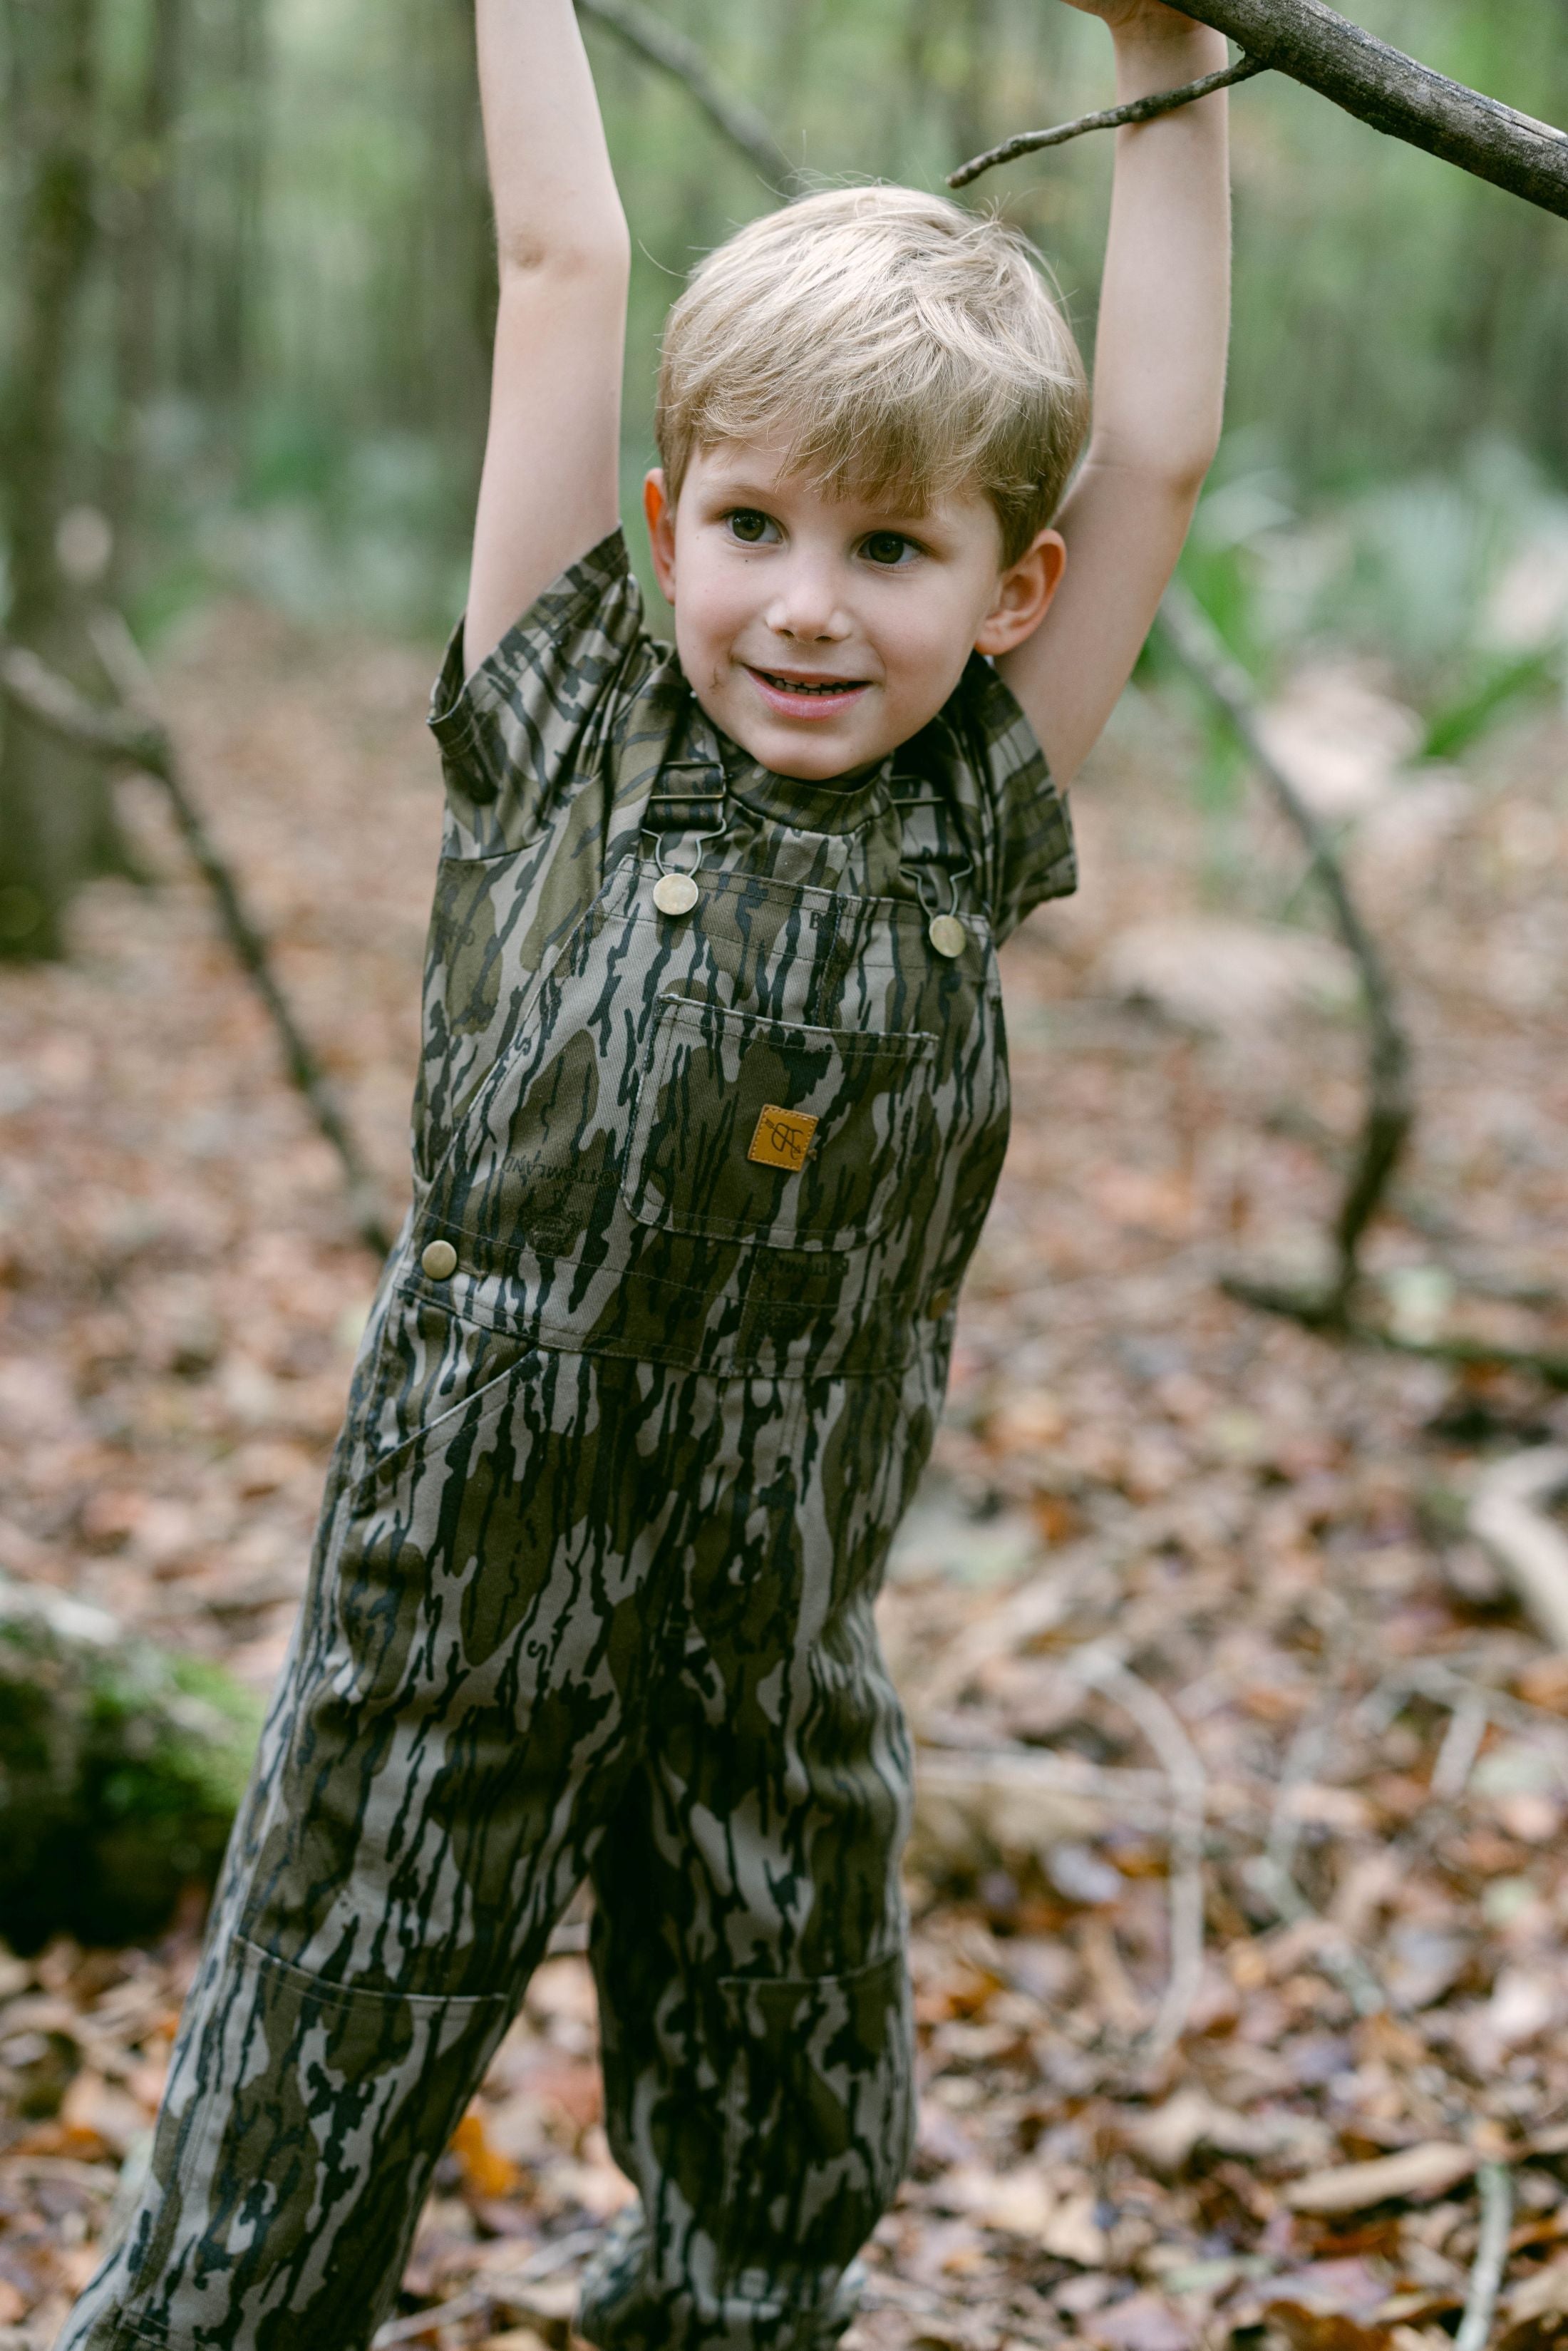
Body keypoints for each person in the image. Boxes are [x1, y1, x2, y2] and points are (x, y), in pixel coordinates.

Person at [58, 1, 1229, 2345]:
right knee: (315, 2054)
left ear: (1011, 589)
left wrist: (1170, 56)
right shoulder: (568, 717)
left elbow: (1168, 448)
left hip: (775, 1602)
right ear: (672, 525)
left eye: (894, 548)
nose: (810, 604)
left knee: (792, 2074)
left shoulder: (968, 805)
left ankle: (711, 2311)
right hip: (458, 1573)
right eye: (763, 528)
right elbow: (561, 256)